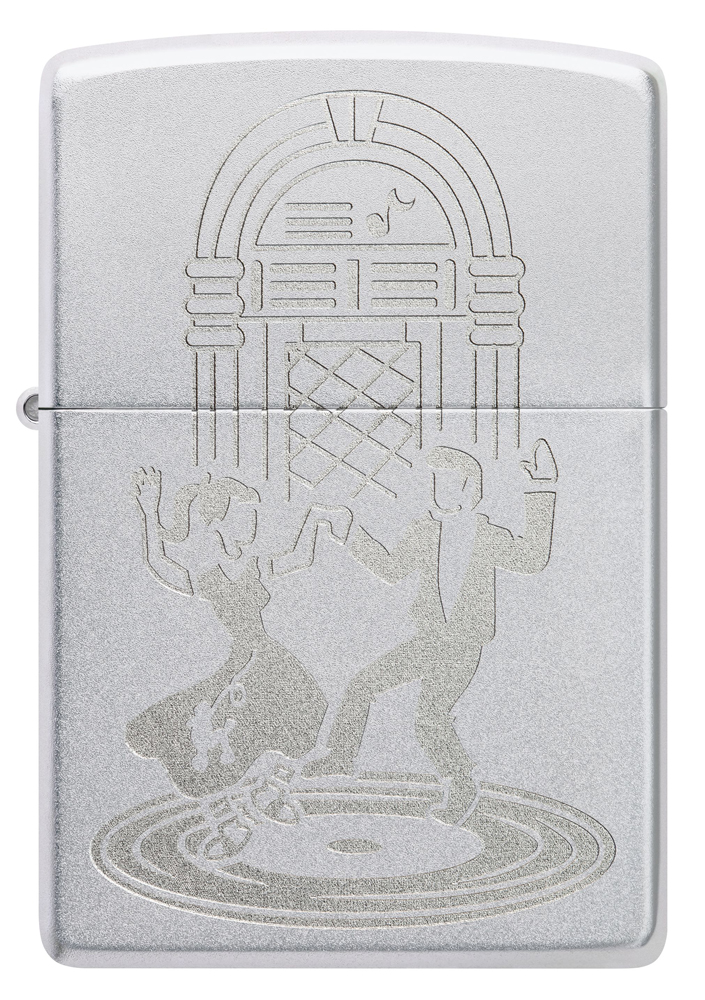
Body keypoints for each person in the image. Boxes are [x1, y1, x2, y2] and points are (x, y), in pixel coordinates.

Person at [304, 442, 557, 824]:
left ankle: (462, 786)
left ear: (471, 489)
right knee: (361, 685)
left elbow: (532, 558)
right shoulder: (425, 531)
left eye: (450, 483)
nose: (441, 490)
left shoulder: (487, 535)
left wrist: (542, 486)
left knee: (429, 719)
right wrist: (349, 532)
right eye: (437, 482)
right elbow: (391, 568)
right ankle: (339, 757)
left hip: (462, 646)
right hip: (429, 641)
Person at [126, 468, 327, 799]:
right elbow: (160, 563)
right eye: (245, 514)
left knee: (304, 706)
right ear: (218, 522)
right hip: (245, 659)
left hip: (264, 651)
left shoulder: (254, 564)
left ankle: (272, 777)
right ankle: (240, 784)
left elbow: (299, 557)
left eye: (254, 513)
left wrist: (315, 520)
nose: (254, 521)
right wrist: (149, 513)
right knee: (230, 719)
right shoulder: (211, 577)